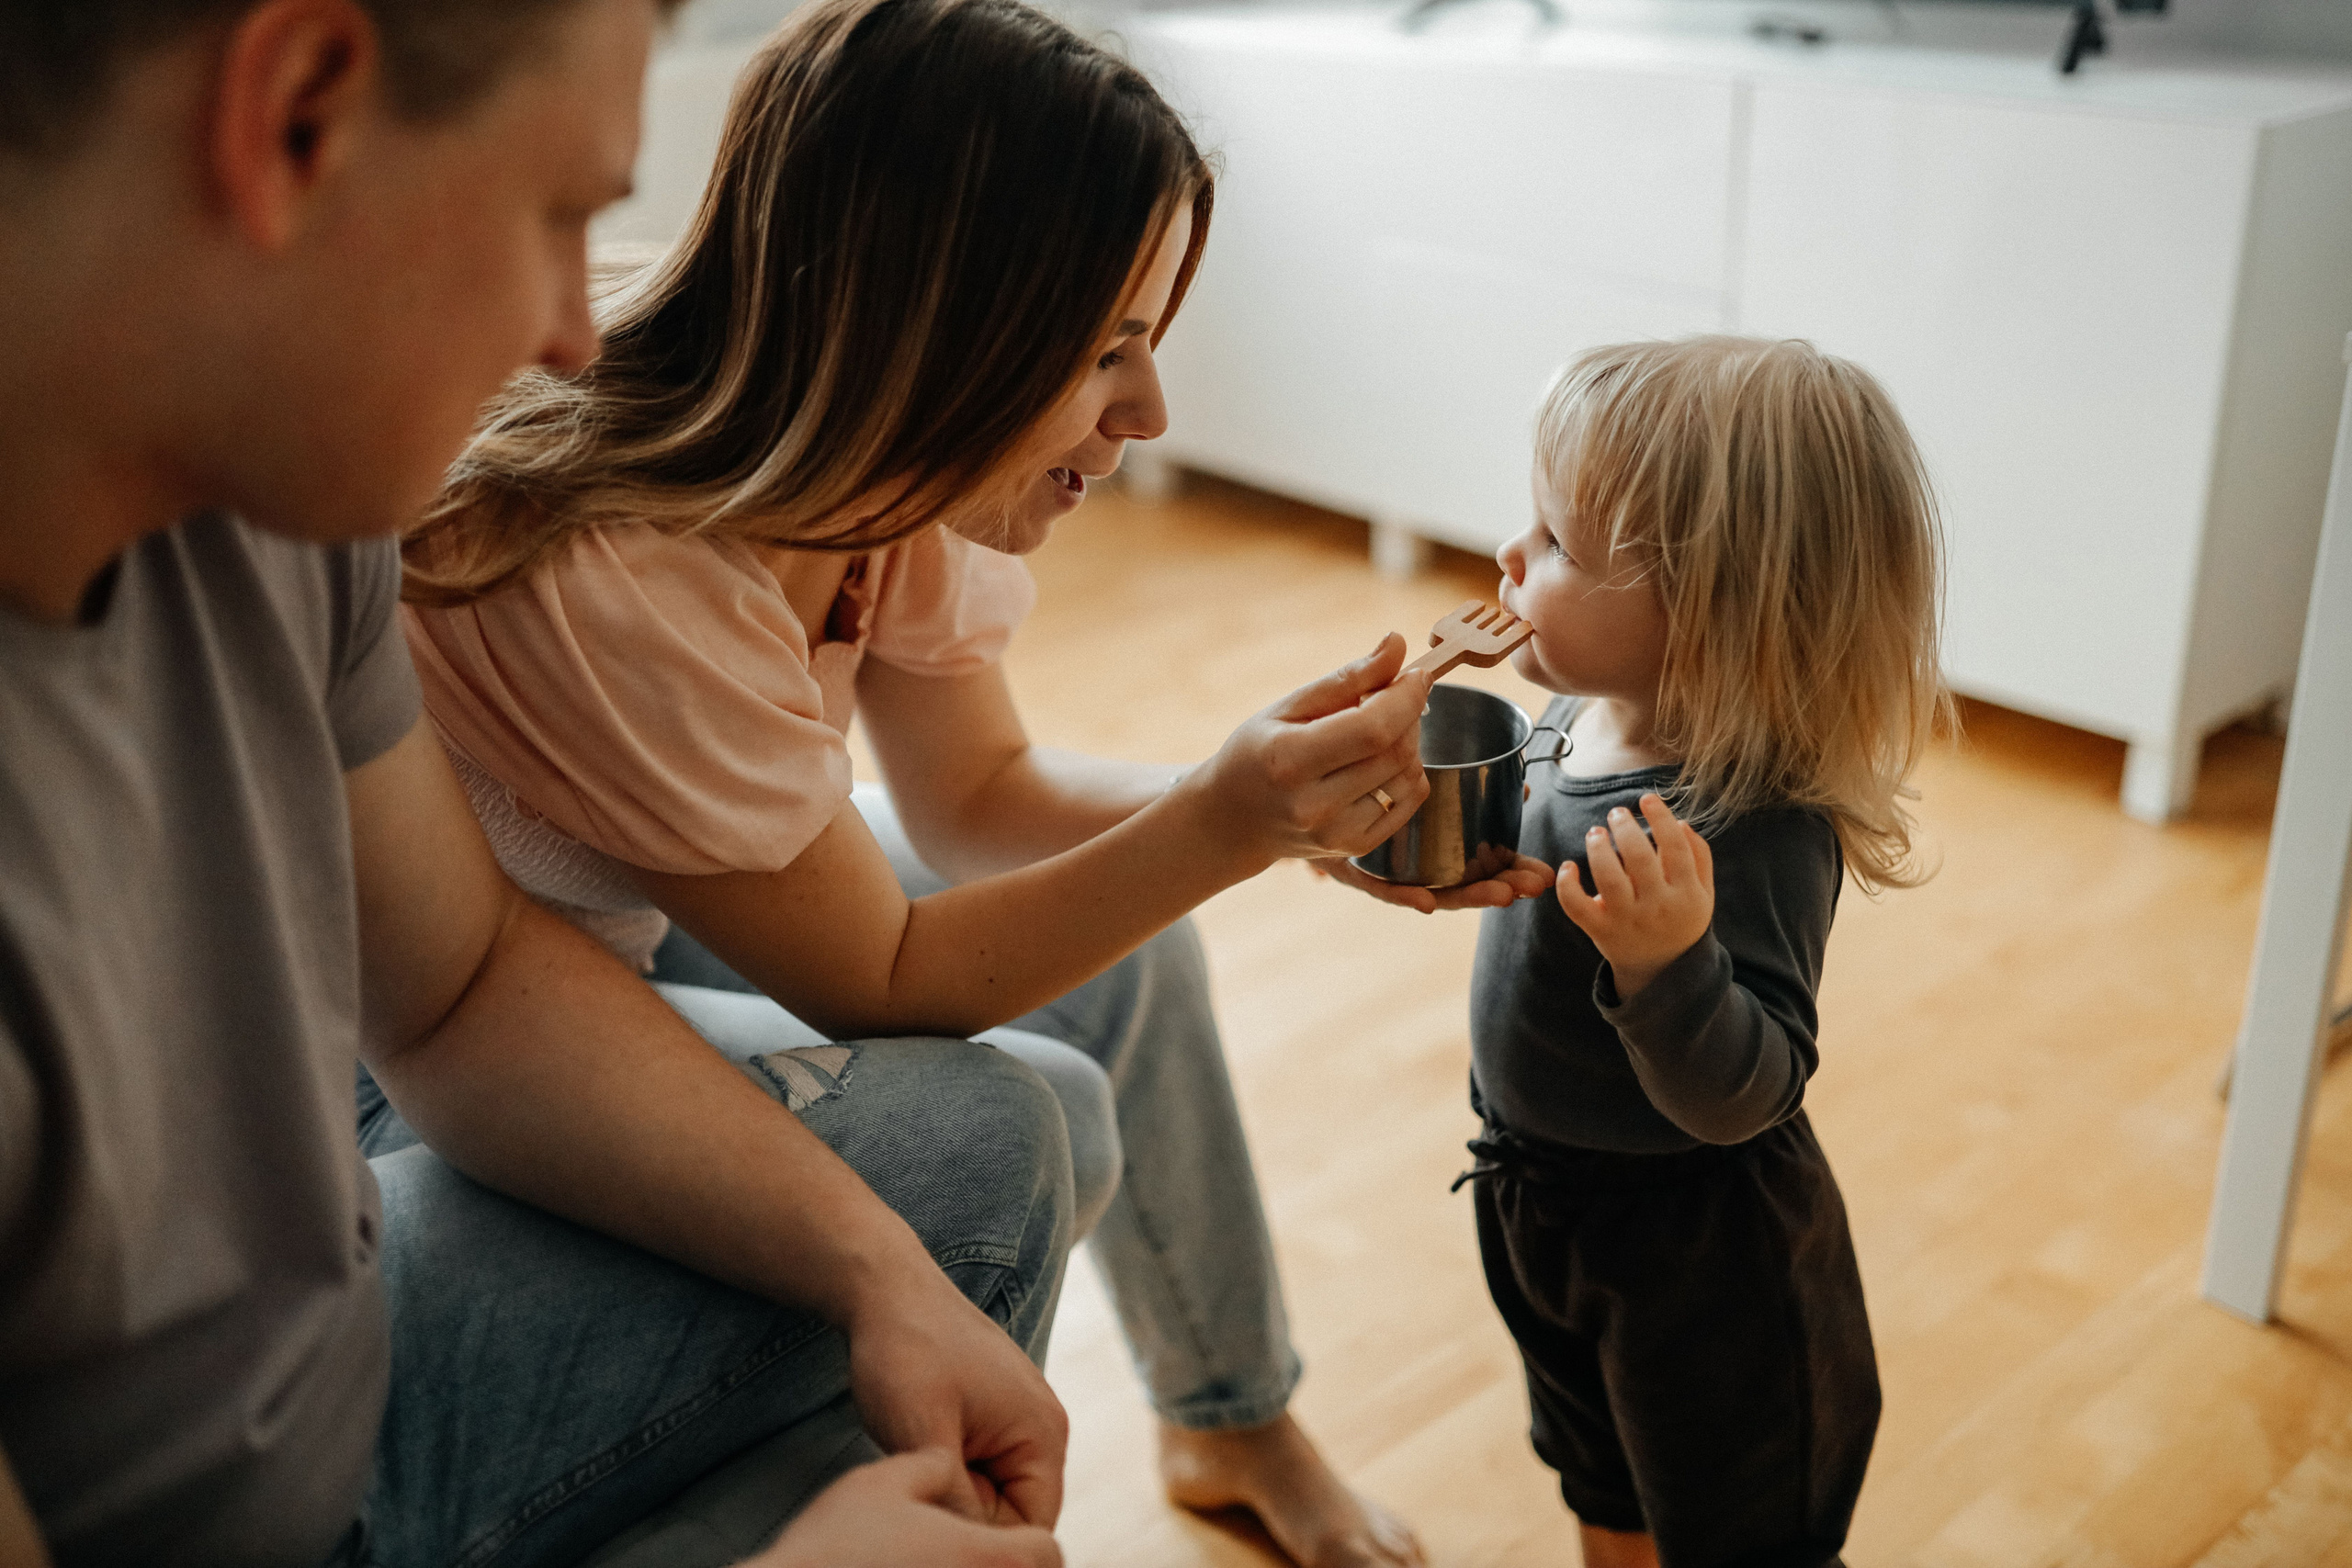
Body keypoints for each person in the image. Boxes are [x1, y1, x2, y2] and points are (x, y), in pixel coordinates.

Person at [0, 1, 1216, 1562]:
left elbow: (462, 989)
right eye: (563, 210)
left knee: (1010, 1137)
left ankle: (1219, 1414)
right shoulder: (523, 538)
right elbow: (874, 965)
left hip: (340, 1322)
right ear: (298, 110)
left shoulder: (287, 524)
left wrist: (875, 1269)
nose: (578, 331)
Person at [395, 3, 1434, 1563]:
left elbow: (982, 796)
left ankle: (1231, 1419)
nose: (1149, 414)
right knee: (1037, 1117)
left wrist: (1274, 809)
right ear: (931, 328)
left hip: (620, 909)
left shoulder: (901, 476)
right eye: (1103, 350)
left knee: (1123, 964)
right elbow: (882, 977)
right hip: (424, 1043)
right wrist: (1224, 822)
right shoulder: (625, 561)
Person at [1338, 335, 1947, 1568]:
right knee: (1599, 1478)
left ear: (1718, 606)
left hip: (1700, 1255)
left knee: (1738, 1528)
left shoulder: (1757, 822)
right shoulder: (1570, 719)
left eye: (1559, 545)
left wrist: (1670, 970)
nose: (1512, 558)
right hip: (1537, 1195)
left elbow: (1755, 1092)